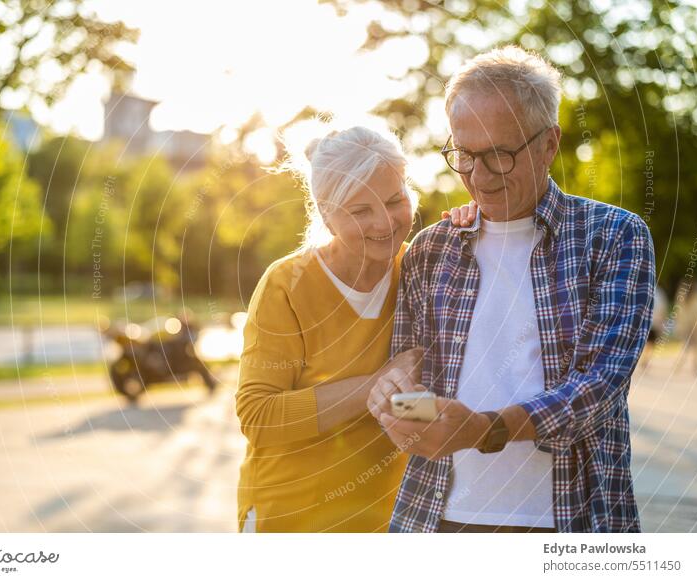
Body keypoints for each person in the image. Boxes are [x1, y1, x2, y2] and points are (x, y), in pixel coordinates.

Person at [369, 46, 655, 533]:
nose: (477, 177)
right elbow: (413, 373)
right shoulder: (429, 250)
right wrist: (393, 400)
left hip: (572, 520)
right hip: (438, 518)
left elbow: (600, 387)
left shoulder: (614, 237)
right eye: (464, 154)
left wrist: (486, 430)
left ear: (549, 144)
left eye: (499, 155)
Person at [235, 126, 476, 532]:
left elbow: (420, 403)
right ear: (327, 216)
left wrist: (475, 233)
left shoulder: (420, 270)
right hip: (290, 520)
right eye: (360, 210)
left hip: (388, 523)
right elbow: (259, 418)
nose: (384, 222)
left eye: (394, 200)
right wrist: (374, 385)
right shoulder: (286, 285)